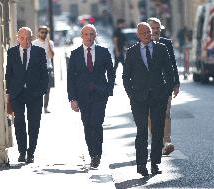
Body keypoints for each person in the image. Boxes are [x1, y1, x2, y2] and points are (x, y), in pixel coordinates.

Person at [122, 22, 174, 176]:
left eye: (149, 32)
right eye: (143, 32)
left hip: (159, 97)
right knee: (142, 131)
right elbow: (126, 76)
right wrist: (131, 94)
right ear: (138, 35)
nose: (146, 35)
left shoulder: (161, 48)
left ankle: (155, 164)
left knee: (157, 132)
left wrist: (167, 92)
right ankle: (141, 165)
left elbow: (169, 72)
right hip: (139, 99)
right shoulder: (131, 52)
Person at [67, 24, 115, 168]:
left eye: (92, 34)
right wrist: (72, 99)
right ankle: (92, 153)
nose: (89, 37)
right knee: (87, 125)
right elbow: (70, 78)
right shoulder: (75, 54)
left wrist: (108, 90)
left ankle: (97, 155)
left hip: (100, 94)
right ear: (82, 37)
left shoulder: (103, 52)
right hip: (83, 96)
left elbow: (111, 73)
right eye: (86, 34)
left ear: (95, 36)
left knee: (97, 123)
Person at [5, 27, 49, 163]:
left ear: (31, 37)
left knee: (34, 124)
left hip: (34, 94)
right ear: (18, 38)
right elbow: (9, 74)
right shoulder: (12, 52)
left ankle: (31, 152)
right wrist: (8, 92)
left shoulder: (39, 52)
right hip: (17, 93)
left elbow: (44, 74)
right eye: (22, 38)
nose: (25, 41)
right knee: (19, 123)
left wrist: (42, 91)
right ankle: (22, 151)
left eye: (28, 38)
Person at [147, 17, 180, 155]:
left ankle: (167, 142)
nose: (155, 31)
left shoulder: (167, 43)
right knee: (150, 115)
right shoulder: (140, 44)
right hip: (147, 87)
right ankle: (157, 141)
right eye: (152, 28)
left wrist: (176, 83)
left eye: (157, 28)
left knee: (165, 113)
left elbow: (173, 64)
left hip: (165, 85)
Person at [32, 25, 55, 113]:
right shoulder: (34, 43)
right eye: (42, 32)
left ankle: (45, 107)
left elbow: (51, 56)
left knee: (47, 89)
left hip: (48, 68)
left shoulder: (50, 43)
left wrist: (48, 43)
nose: (44, 34)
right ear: (38, 33)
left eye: (46, 33)